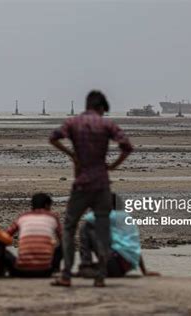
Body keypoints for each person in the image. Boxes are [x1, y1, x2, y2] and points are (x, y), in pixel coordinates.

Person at [49, 90, 133, 287]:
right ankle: (101, 276)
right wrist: (113, 166)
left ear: (87, 104)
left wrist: (72, 155)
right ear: (102, 107)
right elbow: (127, 146)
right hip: (102, 184)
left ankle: (66, 274)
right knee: (103, 228)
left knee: (69, 227)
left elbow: (53, 138)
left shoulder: (73, 123)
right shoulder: (107, 124)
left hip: (81, 184)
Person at [78, 193, 160, 278]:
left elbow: (88, 218)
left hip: (115, 263)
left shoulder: (112, 216)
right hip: (123, 268)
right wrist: (144, 271)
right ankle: (90, 269)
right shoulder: (126, 217)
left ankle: (86, 264)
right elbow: (135, 247)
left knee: (86, 227)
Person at [0, 193, 62, 278]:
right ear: (46, 205)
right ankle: (56, 269)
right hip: (46, 271)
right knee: (65, 244)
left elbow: (5, 236)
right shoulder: (52, 217)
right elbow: (64, 238)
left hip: (22, 271)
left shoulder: (23, 217)